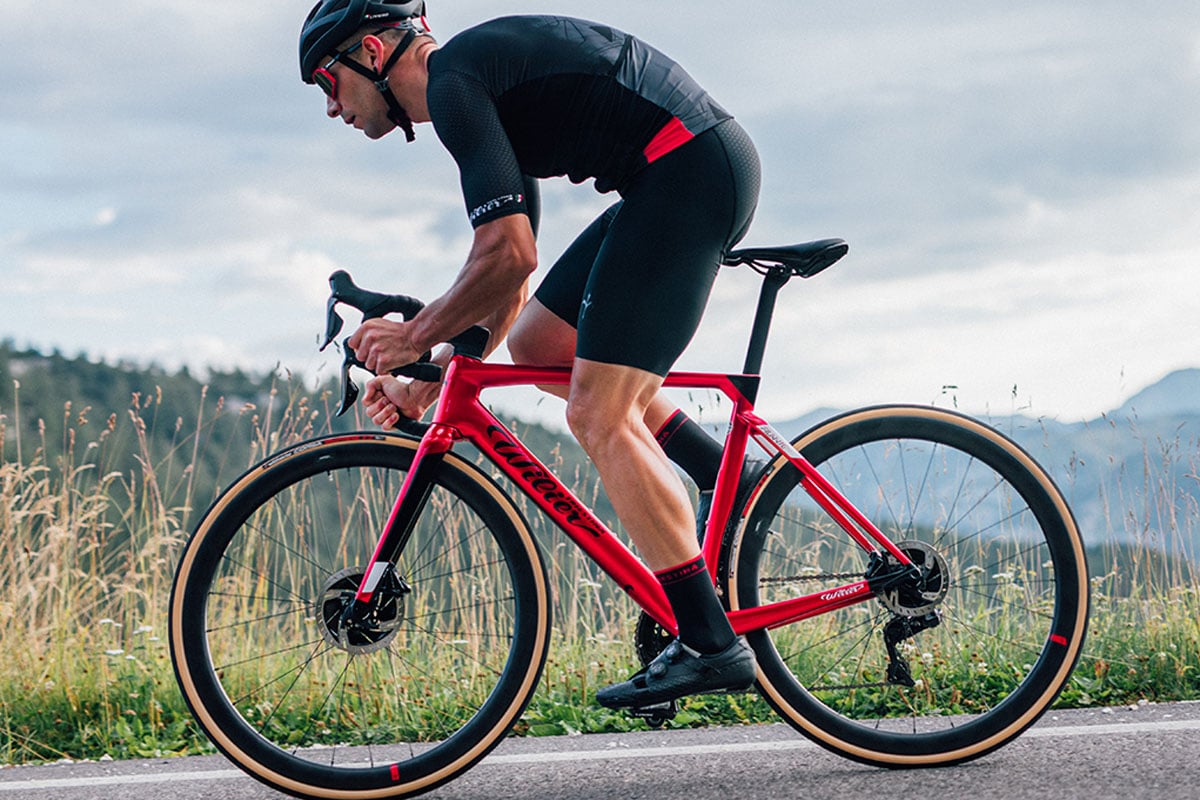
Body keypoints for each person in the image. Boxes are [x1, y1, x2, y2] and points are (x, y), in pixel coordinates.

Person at [299, 0, 761, 709]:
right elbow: (513, 273)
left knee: (598, 415)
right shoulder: (474, 86)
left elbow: (507, 252)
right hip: (674, 173)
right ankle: (714, 467)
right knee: (541, 341)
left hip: (687, 171)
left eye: (327, 83)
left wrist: (415, 339)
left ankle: (709, 641)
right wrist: (447, 371)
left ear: (369, 52)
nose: (331, 109)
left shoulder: (454, 84)